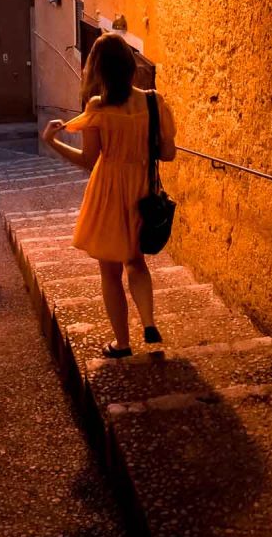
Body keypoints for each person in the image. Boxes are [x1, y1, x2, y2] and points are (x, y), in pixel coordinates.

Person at [41, 32, 176, 358]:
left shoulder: (98, 107)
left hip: (108, 193)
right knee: (136, 261)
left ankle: (122, 343)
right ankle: (148, 322)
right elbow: (168, 154)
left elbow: (89, 160)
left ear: (98, 70)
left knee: (110, 272)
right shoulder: (154, 101)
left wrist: (52, 142)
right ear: (130, 65)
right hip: (142, 189)